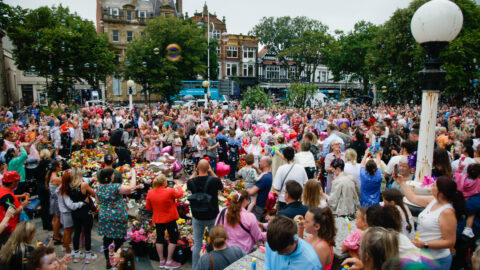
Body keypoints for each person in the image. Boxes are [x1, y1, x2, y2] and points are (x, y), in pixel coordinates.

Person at [395, 174, 465, 269]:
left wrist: (424, 244)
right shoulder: (433, 201)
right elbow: (413, 198)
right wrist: (401, 182)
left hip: (438, 259)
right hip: (424, 255)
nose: (431, 186)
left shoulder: (447, 212)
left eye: (434, 185)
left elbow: (450, 242)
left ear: (441, 192)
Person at [96, 168, 137, 269]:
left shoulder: (99, 188)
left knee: (107, 239)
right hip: (118, 216)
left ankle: (108, 261)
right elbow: (131, 188)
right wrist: (133, 174)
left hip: (104, 217)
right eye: (113, 174)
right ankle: (117, 262)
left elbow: (97, 202)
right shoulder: (115, 186)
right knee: (118, 240)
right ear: (110, 176)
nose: (114, 176)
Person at [187, 159, 223, 270]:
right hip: (212, 216)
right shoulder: (213, 181)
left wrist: (195, 172)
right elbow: (221, 185)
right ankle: (213, 266)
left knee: (197, 243)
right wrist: (211, 171)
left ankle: (195, 267)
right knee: (214, 241)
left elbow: (188, 182)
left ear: (197, 168)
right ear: (208, 168)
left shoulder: (191, 182)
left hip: (197, 216)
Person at [145, 174, 183, 269]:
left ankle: (162, 261)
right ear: (164, 182)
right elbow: (180, 194)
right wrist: (178, 186)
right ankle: (169, 261)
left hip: (158, 219)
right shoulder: (170, 191)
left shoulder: (150, 192)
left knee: (160, 238)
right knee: (173, 237)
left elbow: (148, 207)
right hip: (170, 218)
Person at [215, 190, 266, 254]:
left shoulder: (223, 211)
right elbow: (258, 237)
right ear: (245, 201)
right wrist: (270, 234)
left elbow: (216, 227)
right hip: (243, 252)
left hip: (225, 250)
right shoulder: (250, 217)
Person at [66, 168, 96, 263]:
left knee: (77, 232)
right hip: (86, 211)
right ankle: (87, 254)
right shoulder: (83, 185)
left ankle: (77, 255)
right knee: (87, 232)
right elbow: (93, 192)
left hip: (75, 212)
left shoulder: (69, 186)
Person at [57, 171, 87, 256]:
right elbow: (71, 205)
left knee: (66, 231)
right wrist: (82, 203)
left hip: (63, 212)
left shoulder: (61, 188)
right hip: (67, 213)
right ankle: (68, 251)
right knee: (68, 231)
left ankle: (65, 246)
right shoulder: (64, 191)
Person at [0, 171, 29, 244]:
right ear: (13, 183)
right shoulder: (6, 195)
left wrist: (20, 196)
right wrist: (22, 206)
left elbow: (8, 199)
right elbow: (11, 213)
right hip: (11, 229)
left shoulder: (2, 189)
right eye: (17, 181)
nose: (18, 183)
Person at [246, 156, 273, 221]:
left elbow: (251, 192)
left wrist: (245, 189)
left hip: (257, 206)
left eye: (260, 161)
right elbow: (261, 173)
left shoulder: (264, 178)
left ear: (265, 164)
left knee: (252, 223)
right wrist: (255, 168)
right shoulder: (268, 174)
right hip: (261, 204)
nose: (259, 163)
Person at [35, 149, 52, 231]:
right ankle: (49, 224)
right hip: (46, 186)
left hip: (39, 186)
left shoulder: (39, 164)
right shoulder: (48, 163)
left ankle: (45, 224)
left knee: (43, 205)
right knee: (48, 205)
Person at [46, 160, 62, 244]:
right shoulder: (56, 178)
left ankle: (55, 234)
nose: (61, 166)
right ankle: (56, 237)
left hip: (52, 199)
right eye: (60, 165)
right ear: (56, 167)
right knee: (57, 218)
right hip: (56, 200)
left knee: (54, 218)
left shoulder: (51, 175)